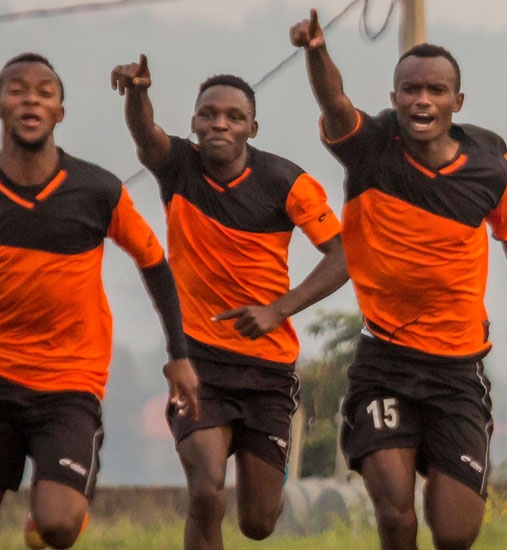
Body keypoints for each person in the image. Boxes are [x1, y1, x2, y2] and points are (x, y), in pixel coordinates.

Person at [0, 52, 198, 550]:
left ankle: (44, 526)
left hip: (70, 384)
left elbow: (155, 265)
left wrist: (180, 357)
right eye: (17, 89)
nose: (31, 98)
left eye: (45, 91)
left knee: (58, 526)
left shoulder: (98, 190)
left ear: (60, 111)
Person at [290, 10, 507, 550]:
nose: (422, 101)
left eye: (436, 90)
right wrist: (317, 51)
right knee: (396, 518)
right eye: (410, 90)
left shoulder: (488, 166)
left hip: (458, 372)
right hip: (386, 364)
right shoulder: (370, 146)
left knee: (455, 533)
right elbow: (335, 103)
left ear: (456, 102)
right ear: (394, 98)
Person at [110, 54, 348, 549]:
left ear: (251, 127)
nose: (219, 123)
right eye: (208, 114)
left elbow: (345, 256)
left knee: (258, 522)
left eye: (233, 117)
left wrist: (278, 309)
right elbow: (145, 134)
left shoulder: (288, 183)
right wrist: (136, 93)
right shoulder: (178, 166)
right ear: (194, 123)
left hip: (268, 372)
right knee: (205, 492)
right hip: (199, 364)